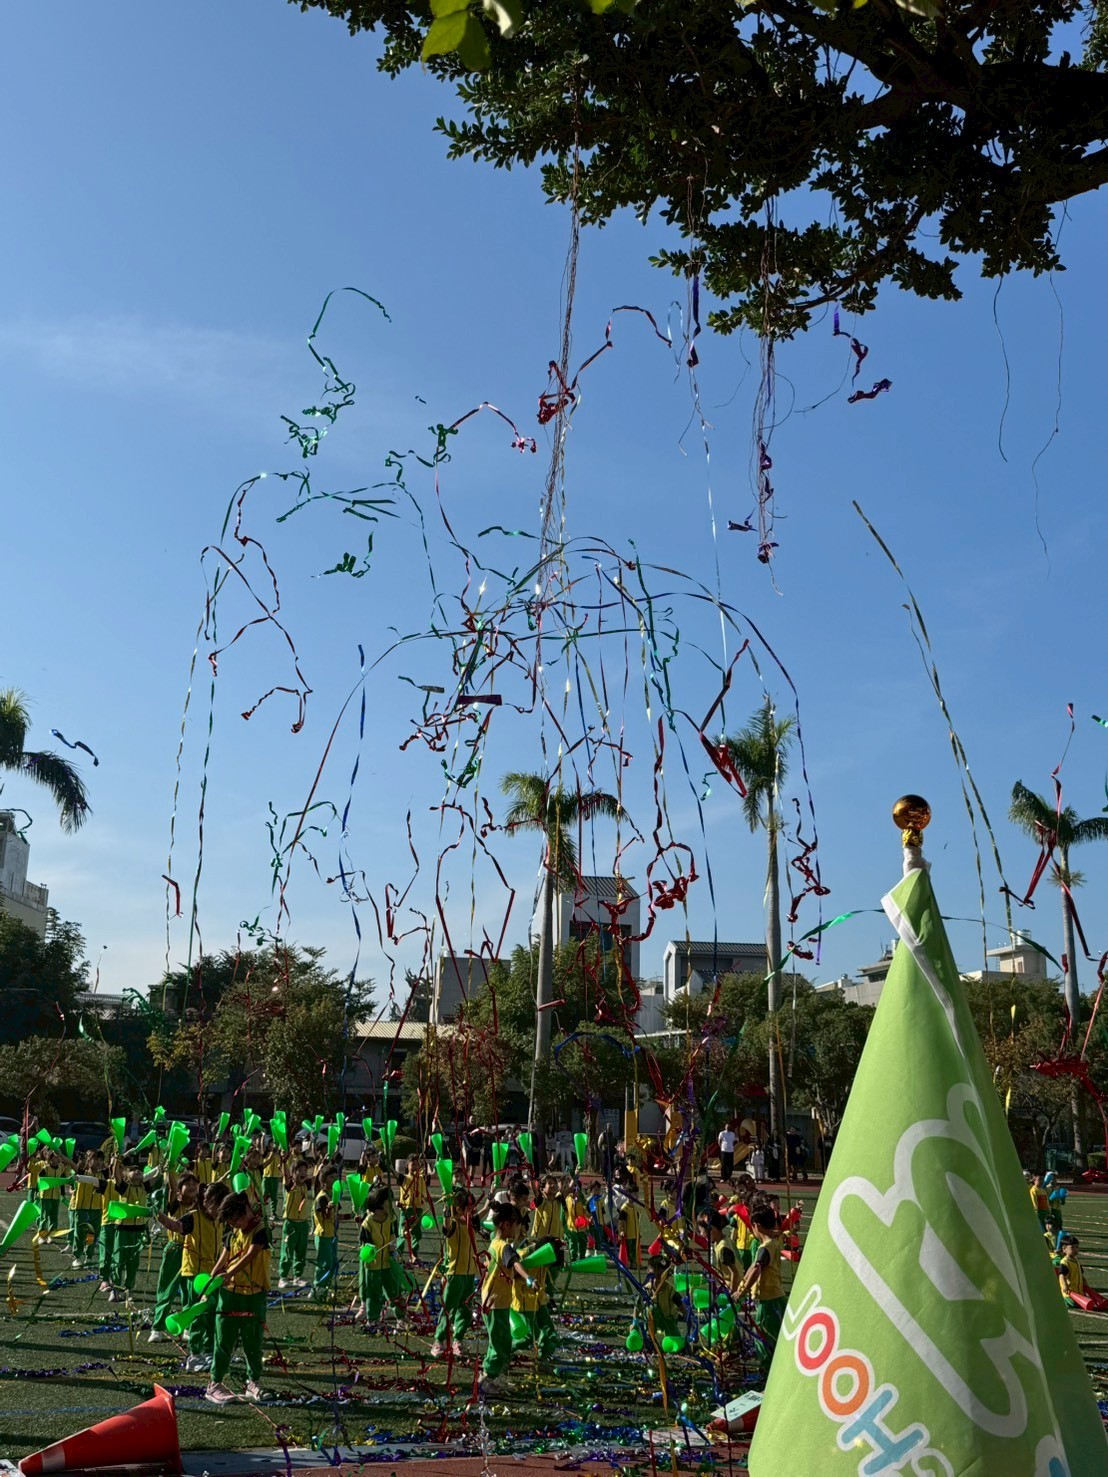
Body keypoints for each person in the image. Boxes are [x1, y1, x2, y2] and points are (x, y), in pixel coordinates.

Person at [205, 1191, 272, 1404]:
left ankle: (253, 1382)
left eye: (236, 1220)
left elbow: (251, 1254)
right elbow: (224, 1256)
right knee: (223, 1339)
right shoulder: (233, 1231)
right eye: (231, 1222)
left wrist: (229, 1274)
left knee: (253, 1340)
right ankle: (215, 1384)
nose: (234, 1225)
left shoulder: (261, 1230)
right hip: (230, 1294)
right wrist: (213, 1276)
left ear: (245, 1210)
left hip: (254, 1294)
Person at [162, 1179, 227, 1372]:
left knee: (213, 1313)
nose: (220, 1210)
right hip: (195, 1274)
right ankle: (195, 1355)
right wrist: (156, 1215)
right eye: (218, 1205)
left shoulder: (218, 1220)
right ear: (206, 1202)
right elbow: (175, 1226)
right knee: (198, 1315)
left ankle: (209, 1350)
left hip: (212, 1275)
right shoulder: (193, 1217)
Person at [480, 1201, 534, 1397]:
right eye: (516, 1224)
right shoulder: (504, 1247)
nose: (518, 1228)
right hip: (495, 1302)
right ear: (506, 1224)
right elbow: (515, 1262)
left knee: (500, 1340)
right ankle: (487, 1380)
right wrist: (528, 1278)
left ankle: (490, 1375)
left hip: (495, 1300)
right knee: (500, 1344)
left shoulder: (494, 1242)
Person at [149, 1170, 198, 1341]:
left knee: (190, 1291)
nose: (191, 1187)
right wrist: (170, 1167)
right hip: (175, 1250)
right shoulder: (175, 1204)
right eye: (187, 1184)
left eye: (194, 1184)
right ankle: (157, 1327)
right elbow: (171, 1187)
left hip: (192, 1251)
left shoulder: (199, 1205)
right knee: (167, 1290)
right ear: (179, 1189)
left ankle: (187, 1326)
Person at [736, 1205, 787, 1370]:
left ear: (757, 1226)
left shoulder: (765, 1248)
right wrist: (741, 1286)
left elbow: (756, 1269)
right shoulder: (774, 1241)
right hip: (776, 1296)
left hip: (768, 1301)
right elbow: (753, 1266)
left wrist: (742, 1291)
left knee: (763, 1338)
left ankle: (768, 1373)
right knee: (776, 1336)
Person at [431, 1188, 479, 1357]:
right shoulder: (453, 1224)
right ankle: (439, 1340)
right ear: (459, 1208)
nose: (472, 1210)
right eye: (469, 1207)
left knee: (465, 1310)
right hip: (454, 1274)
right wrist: (446, 1209)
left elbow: (480, 1216)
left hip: (469, 1273)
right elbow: (447, 1227)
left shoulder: (469, 1224)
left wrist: (488, 1202)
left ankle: (458, 1339)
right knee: (448, 1309)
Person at [110, 1162, 150, 1301]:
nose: (137, 1171)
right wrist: (116, 1160)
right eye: (133, 1170)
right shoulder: (124, 1187)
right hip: (123, 1228)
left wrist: (165, 1167)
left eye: (139, 1170)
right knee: (118, 1260)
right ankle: (115, 1289)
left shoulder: (145, 1187)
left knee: (133, 1262)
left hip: (139, 1229)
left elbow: (158, 1174)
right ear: (127, 1175)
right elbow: (116, 1175)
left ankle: (129, 1289)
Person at [277, 1158, 311, 1288]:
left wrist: (322, 1163)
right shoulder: (290, 1185)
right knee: (287, 1250)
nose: (303, 1173)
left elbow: (317, 1176)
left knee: (301, 1251)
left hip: (303, 1224)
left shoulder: (306, 1185)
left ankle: (298, 1277)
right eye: (299, 1170)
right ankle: (283, 1277)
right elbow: (285, 1175)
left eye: (305, 1170)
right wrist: (284, 1162)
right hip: (291, 1224)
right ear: (293, 1173)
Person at [69, 1149, 105, 1267]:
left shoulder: (104, 1175)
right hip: (81, 1208)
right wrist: (60, 1154)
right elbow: (71, 1163)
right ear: (88, 1160)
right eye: (95, 1159)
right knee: (79, 1233)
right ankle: (78, 1256)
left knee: (92, 1234)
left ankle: (88, 1255)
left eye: (101, 1159)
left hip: (97, 1209)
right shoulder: (82, 1172)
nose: (98, 1162)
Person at [311, 1169, 340, 1298]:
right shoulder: (322, 1197)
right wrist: (328, 1209)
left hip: (332, 1234)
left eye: (336, 1177)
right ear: (324, 1180)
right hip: (323, 1235)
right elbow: (324, 1216)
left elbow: (337, 1216)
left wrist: (352, 1215)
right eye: (331, 1177)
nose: (334, 1180)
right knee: (324, 1263)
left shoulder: (332, 1195)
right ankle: (318, 1288)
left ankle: (326, 1286)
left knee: (333, 1262)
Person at [398, 1154, 428, 1257]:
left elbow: (431, 1176)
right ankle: (399, 1253)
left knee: (416, 1232)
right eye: (413, 1164)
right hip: (406, 1209)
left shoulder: (421, 1178)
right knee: (402, 1232)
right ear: (407, 1165)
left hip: (417, 1209)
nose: (415, 1166)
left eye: (417, 1164)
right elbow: (394, 1173)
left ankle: (414, 1253)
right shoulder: (404, 1178)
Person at [262, 1140, 282, 1218]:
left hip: (275, 1177)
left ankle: (273, 1213)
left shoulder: (279, 1155)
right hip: (266, 1177)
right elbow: (261, 1145)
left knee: (274, 1196)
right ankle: (262, 1212)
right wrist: (263, 1137)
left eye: (275, 1143)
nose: (273, 1145)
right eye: (271, 1143)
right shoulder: (265, 1153)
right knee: (264, 1195)